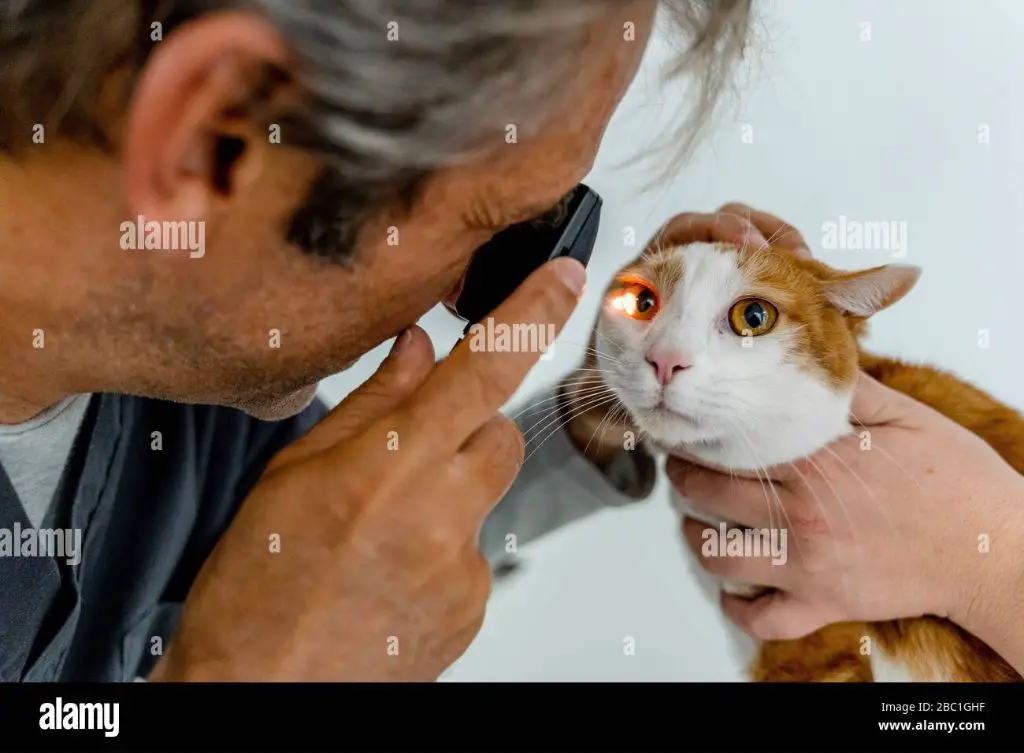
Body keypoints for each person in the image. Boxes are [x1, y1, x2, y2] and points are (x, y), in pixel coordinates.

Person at [0, 0, 1019, 684]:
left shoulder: (185, 403)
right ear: (213, 138)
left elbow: (351, 559)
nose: (478, 297)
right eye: (499, 227)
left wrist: (599, 411)